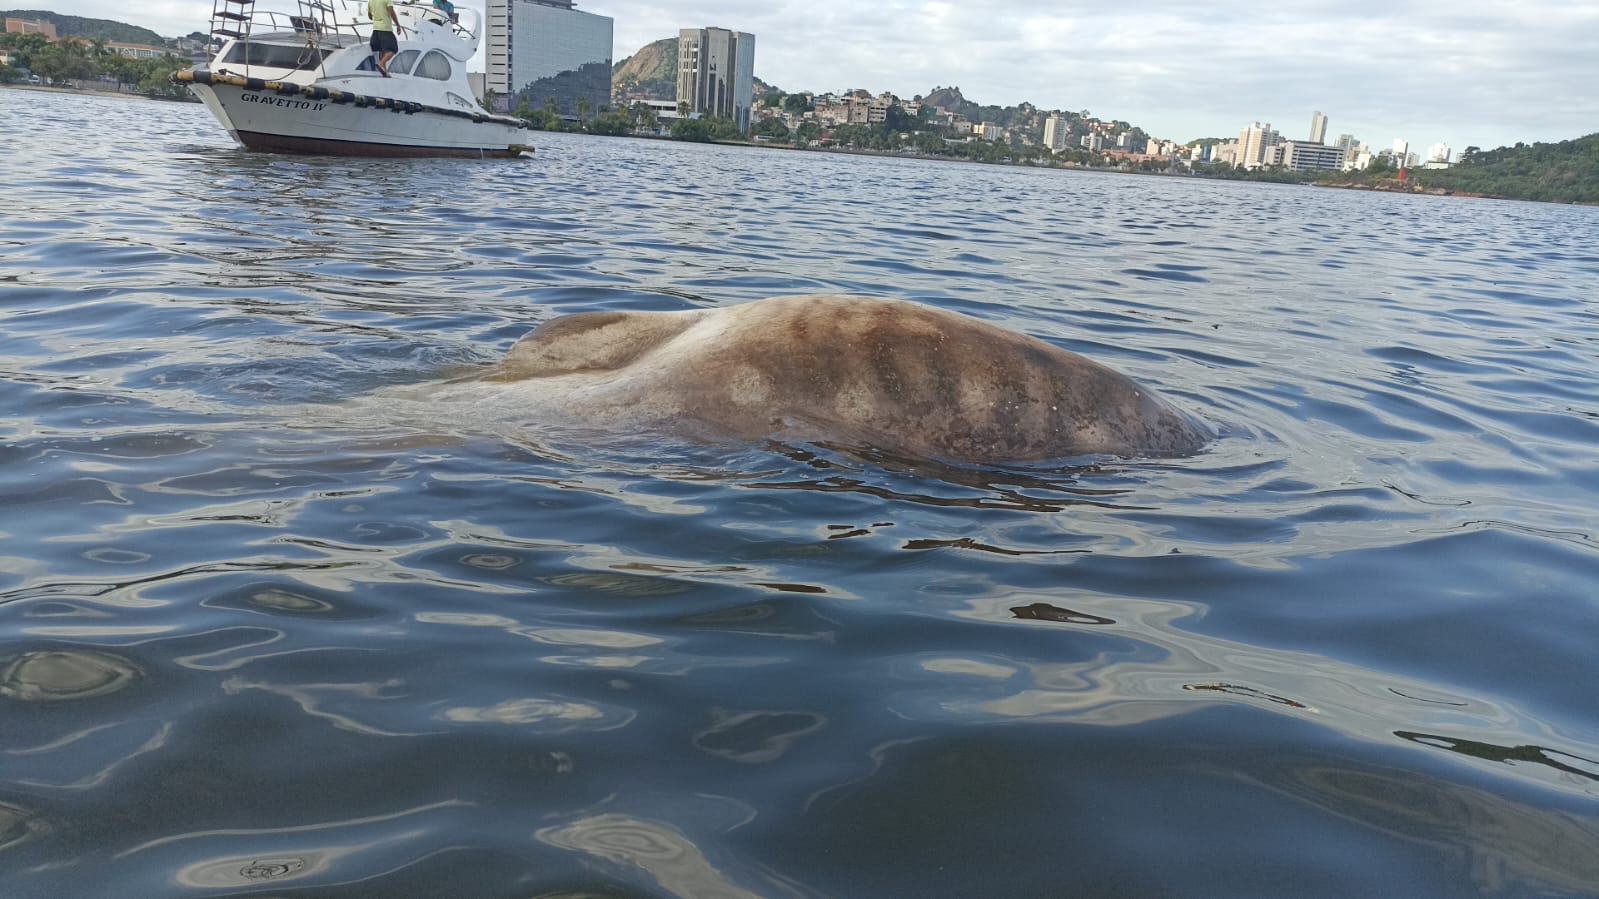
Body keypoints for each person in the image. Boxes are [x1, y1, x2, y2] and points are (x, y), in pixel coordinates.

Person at [368, 0, 405, 77]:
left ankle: (384, 72)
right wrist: (398, 25)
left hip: (376, 29)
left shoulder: (371, 1)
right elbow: (391, 12)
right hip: (385, 29)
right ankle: (381, 64)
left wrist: (377, 18)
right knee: (393, 49)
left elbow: (370, 16)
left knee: (382, 50)